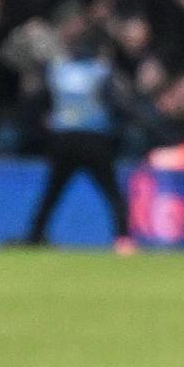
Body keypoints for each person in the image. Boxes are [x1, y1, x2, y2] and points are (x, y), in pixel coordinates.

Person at [18, 25, 130, 250]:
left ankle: (35, 235)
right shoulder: (101, 71)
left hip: (64, 138)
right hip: (94, 138)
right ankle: (123, 239)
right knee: (112, 192)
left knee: (52, 193)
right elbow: (117, 104)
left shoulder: (58, 71)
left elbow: (38, 101)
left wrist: (44, 125)